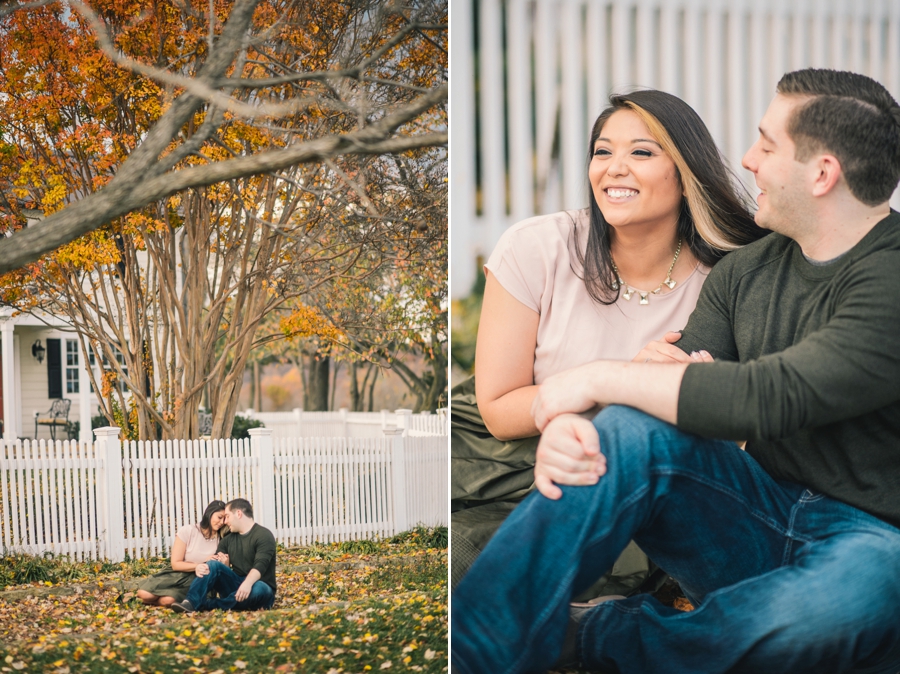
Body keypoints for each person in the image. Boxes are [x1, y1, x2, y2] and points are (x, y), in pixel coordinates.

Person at [452, 68, 900, 674]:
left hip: (874, 541)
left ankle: (589, 636)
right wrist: (582, 428)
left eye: (766, 145)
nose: (747, 160)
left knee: (820, 616)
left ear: (822, 174)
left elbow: (777, 394)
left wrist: (590, 380)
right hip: (756, 512)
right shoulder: (747, 273)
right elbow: (665, 389)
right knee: (633, 431)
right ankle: (475, 649)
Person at [451, 89, 766, 591]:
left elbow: (743, 428)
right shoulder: (537, 248)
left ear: (687, 174)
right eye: (603, 151)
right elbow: (497, 410)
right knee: (481, 563)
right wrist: (620, 382)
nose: (613, 168)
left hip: (649, 474)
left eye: (641, 152)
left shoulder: (732, 279)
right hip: (512, 462)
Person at [170, 498, 276, 613]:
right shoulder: (227, 540)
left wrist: (247, 584)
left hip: (258, 588)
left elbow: (260, 566)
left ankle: (208, 604)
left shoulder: (263, 535)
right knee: (212, 564)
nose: (225, 522)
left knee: (259, 588)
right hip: (235, 586)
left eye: (227, 516)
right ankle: (191, 602)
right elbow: (215, 567)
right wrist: (221, 565)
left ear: (239, 514)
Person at [136, 500, 227, 607]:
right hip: (178, 574)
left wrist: (222, 563)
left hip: (198, 579)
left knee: (168, 601)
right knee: (144, 594)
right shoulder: (188, 531)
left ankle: (177, 600)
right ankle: (149, 598)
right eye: (219, 517)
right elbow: (175, 564)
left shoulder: (222, 538)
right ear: (209, 514)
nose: (222, 522)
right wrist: (197, 565)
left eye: (225, 519)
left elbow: (223, 567)